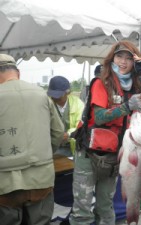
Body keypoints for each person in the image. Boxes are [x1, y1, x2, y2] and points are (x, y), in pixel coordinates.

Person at [69, 41, 141, 225]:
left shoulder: (135, 84)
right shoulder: (102, 82)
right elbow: (99, 117)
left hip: (113, 156)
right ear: (112, 58)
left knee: (105, 207)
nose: (123, 62)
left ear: (134, 62)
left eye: (129, 58)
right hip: (88, 153)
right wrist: (126, 106)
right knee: (82, 210)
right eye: (119, 56)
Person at [0, 54, 64, 225]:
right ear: (18, 72)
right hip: (41, 180)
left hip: (5, 185)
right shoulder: (42, 95)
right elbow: (58, 132)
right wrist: (42, 154)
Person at [47, 76, 84, 157]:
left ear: (68, 92)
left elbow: (80, 125)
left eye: (58, 95)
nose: (54, 98)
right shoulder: (47, 103)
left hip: (71, 146)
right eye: (52, 95)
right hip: (51, 146)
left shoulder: (78, 104)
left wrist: (68, 134)